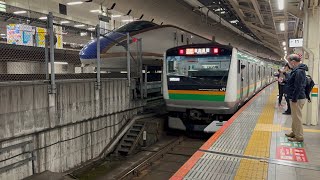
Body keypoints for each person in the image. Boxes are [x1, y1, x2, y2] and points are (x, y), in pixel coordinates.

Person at [285, 54, 308, 142]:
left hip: (297, 98)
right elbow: (293, 82)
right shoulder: (297, 70)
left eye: (289, 62)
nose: (289, 64)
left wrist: (294, 98)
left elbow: (298, 86)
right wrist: (285, 80)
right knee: (294, 117)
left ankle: (299, 136)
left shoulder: (299, 71)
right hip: (296, 97)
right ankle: (294, 132)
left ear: (293, 62)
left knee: (297, 118)